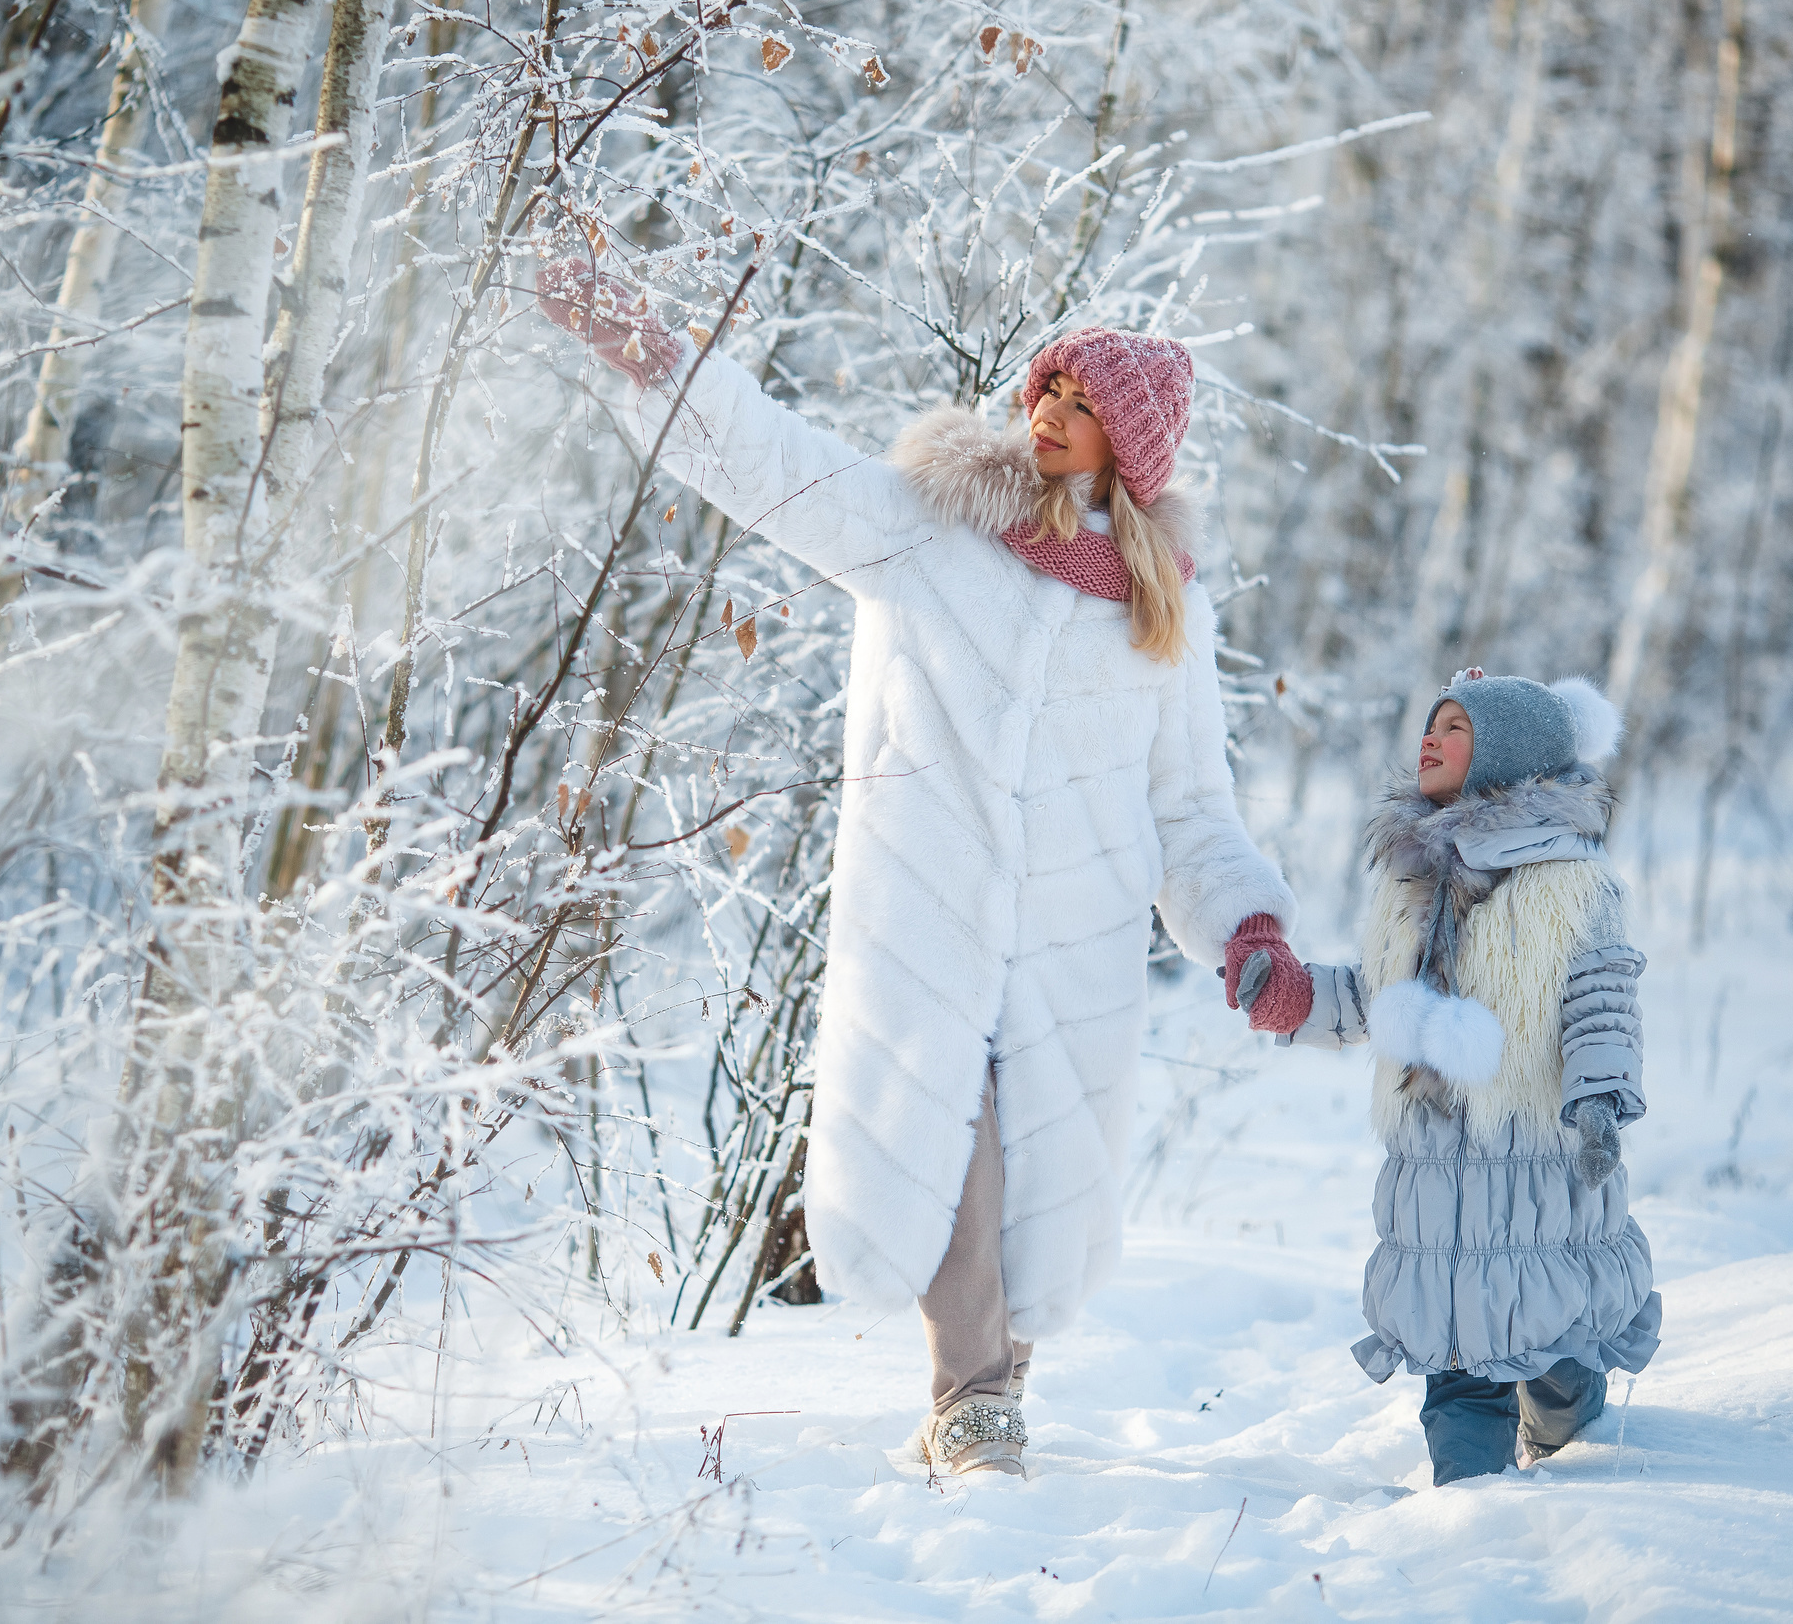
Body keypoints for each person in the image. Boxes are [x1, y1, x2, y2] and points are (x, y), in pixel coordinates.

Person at [539, 261, 1310, 1478]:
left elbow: (1192, 810)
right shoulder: (936, 531)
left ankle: (993, 1381)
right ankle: (975, 1398)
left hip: (1076, 935)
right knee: (958, 1144)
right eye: (1046, 384)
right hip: (932, 914)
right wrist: (660, 363)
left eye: (1080, 400)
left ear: (1130, 446)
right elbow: (778, 466)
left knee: (1038, 1174)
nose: (1047, 408)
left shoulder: (1166, 618)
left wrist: (1247, 931)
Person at [1244, 670, 1660, 1485]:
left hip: (1539, 1165)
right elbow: (1378, 991)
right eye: (1431, 724)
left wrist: (1600, 1097)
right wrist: (1296, 996)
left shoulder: (1570, 884)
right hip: (1434, 1177)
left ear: (1504, 754)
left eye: (1455, 727)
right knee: (1459, 1362)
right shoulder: (1412, 877)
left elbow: (1602, 995)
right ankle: (1469, 1513)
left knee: (1552, 1343)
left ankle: (1568, 1400)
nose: (1429, 738)